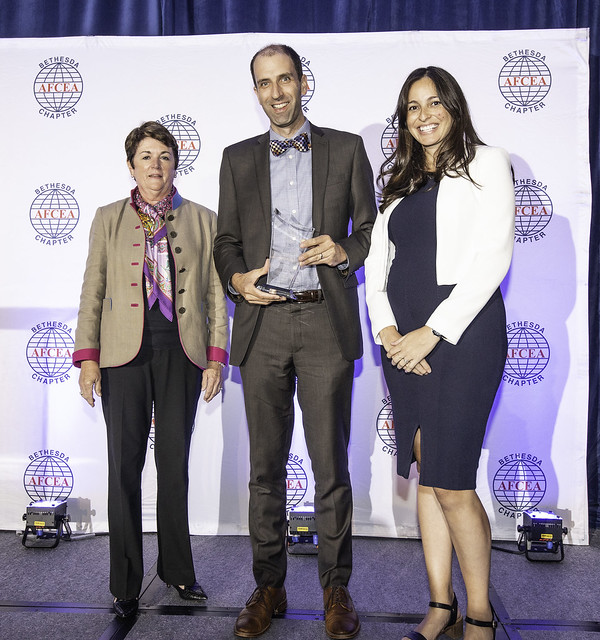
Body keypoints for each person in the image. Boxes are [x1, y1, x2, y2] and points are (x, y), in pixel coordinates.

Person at [213, 44, 376, 639]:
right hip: (262, 325)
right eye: (264, 83)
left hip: (323, 323)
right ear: (255, 91)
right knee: (265, 469)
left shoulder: (345, 149)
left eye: (285, 80)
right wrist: (234, 278)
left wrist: (343, 252)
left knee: (330, 468)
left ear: (303, 83)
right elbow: (225, 241)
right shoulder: (236, 159)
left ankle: (336, 590)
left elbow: (370, 230)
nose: (276, 92)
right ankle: (270, 586)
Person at [365, 67, 514, 640]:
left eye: (433, 103)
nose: (422, 114)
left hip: (465, 337)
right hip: (403, 347)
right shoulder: (399, 181)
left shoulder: (487, 162)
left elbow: (493, 259)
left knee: (453, 481)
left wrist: (432, 331)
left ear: (453, 106)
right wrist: (388, 335)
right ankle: (440, 605)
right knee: (428, 479)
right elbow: (377, 271)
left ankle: (479, 612)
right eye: (411, 107)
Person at [73, 121, 228, 619]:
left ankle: (178, 572)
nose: (155, 165)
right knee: (123, 468)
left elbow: (214, 296)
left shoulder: (203, 219)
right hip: (122, 358)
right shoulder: (107, 219)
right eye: (145, 156)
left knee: (174, 468)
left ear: (175, 163)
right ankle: (124, 581)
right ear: (130, 165)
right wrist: (88, 358)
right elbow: (92, 291)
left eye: (164, 155)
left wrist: (215, 356)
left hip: (181, 355)